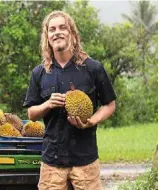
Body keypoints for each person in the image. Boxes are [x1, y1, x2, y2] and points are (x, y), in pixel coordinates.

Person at [23, 11, 116, 190]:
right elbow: (31, 114)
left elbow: (109, 104)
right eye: (52, 29)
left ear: (72, 33)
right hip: (52, 162)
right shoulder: (40, 73)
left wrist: (91, 122)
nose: (57, 32)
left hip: (85, 160)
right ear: (47, 37)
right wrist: (47, 104)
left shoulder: (93, 68)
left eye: (62, 27)